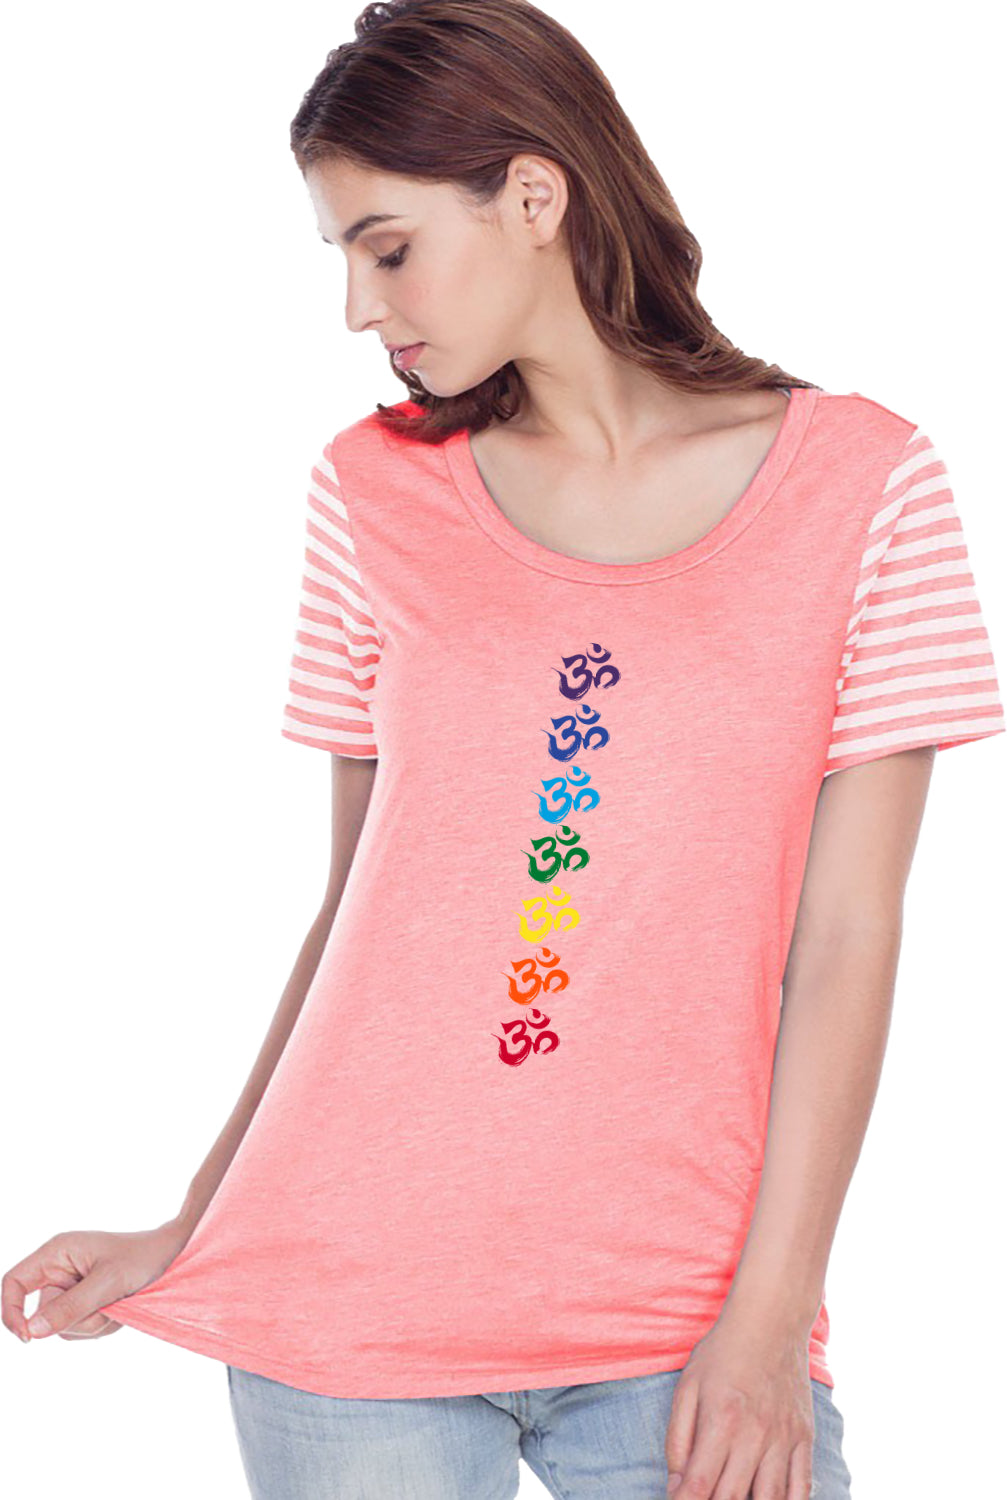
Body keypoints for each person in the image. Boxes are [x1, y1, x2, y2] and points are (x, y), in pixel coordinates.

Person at [4, 2, 1004, 1496]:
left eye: (387, 248)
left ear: (535, 196)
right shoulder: (372, 493)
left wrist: (769, 1319)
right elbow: (358, 913)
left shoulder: (867, 490)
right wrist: (197, 1222)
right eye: (342, 258)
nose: (358, 308)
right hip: (348, 1304)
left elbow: (848, 936)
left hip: (683, 1313)